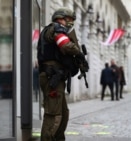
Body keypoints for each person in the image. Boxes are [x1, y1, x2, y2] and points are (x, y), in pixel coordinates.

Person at [37, 7, 86, 140]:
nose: (70, 22)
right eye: (69, 19)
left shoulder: (56, 29)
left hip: (56, 78)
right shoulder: (56, 29)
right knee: (53, 115)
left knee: (63, 114)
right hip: (51, 77)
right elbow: (65, 45)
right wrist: (78, 51)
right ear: (60, 18)